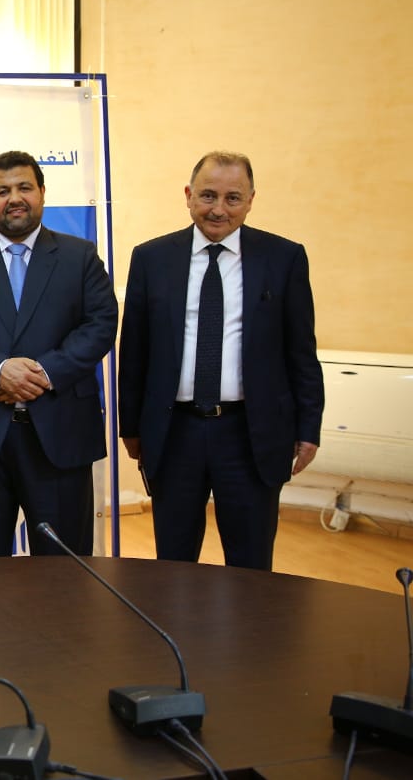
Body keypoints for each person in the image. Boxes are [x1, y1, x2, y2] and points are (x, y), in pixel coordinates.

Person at [118, 151, 324, 570]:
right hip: (174, 434)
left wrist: (308, 428)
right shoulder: (151, 258)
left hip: (251, 434)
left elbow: (301, 352)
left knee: (251, 567)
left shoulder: (283, 258)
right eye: (208, 195)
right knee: (173, 564)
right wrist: (132, 428)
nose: (218, 209)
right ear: (188, 195)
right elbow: (134, 351)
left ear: (251, 201)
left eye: (233, 198)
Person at [0, 150, 117, 557]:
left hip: (60, 433)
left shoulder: (80, 256)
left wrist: (43, 374)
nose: (14, 198)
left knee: (64, 572)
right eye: (2, 191)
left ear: (42, 193)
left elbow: (101, 324)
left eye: (24, 188)